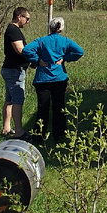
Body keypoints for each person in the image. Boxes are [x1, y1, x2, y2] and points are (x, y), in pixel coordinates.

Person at [21, 16, 84, 144]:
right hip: (59, 78)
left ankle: (39, 136)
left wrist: (37, 60)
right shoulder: (65, 41)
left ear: (50, 27)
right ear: (61, 28)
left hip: (42, 79)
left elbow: (26, 50)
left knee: (42, 108)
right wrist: (65, 58)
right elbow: (79, 51)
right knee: (59, 107)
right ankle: (60, 135)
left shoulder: (41, 41)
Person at [1, 6, 32, 137]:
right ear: (19, 17)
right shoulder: (13, 30)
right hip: (15, 70)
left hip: (9, 69)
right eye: (27, 18)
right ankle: (19, 131)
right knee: (18, 100)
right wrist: (34, 57)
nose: (28, 22)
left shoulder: (12, 29)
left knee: (9, 100)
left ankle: (6, 128)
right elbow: (20, 50)